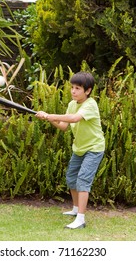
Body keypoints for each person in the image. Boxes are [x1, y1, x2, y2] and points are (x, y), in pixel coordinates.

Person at [35, 71, 105, 229]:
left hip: (94, 148)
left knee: (83, 180)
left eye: (78, 88)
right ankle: (75, 209)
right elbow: (63, 126)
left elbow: (74, 119)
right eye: (72, 87)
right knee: (71, 178)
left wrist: (49, 115)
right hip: (79, 148)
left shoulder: (90, 104)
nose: (73, 91)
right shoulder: (72, 104)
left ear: (87, 91)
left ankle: (81, 219)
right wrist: (50, 119)